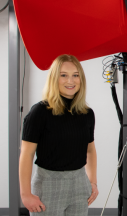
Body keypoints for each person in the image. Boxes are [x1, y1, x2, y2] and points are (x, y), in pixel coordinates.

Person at [19, 54, 98, 215]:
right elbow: (26, 154)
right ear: (54, 78)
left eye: (75, 75)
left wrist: (93, 182)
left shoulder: (87, 113)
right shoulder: (39, 112)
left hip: (79, 184)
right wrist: (25, 194)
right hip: (48, 185)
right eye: (64, 75)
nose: (71, 81)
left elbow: (90, 150)